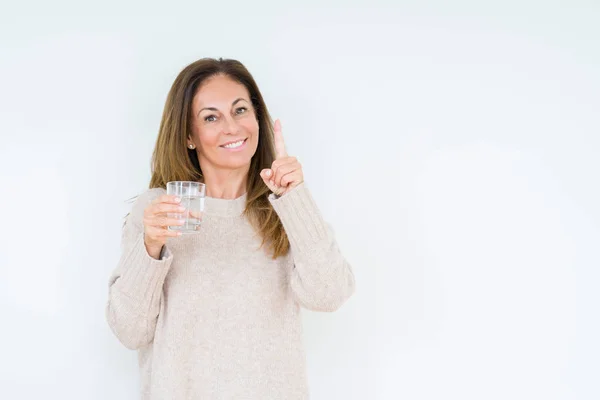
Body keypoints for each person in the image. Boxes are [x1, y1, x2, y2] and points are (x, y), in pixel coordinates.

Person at [105, 57, 356, 400]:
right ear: (189, 136)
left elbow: (329, 294)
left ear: (256, 118)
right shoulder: (160, 210)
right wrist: (150, 247)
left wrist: (295, 197)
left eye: (240, 110)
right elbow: (130, 331)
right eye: (211, 117)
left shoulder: (284, 207)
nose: (232, 127)